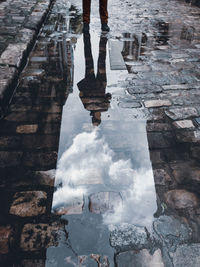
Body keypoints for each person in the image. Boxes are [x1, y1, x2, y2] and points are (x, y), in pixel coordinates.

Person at [77, 33, 111, 126]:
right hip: (90, 82)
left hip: (100, 83)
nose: (99, 116)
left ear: (97, 118)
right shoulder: (88, 107)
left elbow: (108, 96)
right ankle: (87, 35)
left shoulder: (105, 107)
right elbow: (80, 94)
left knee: (101, 59)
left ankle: (103, 38)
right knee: (88, 58)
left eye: (98, 118)